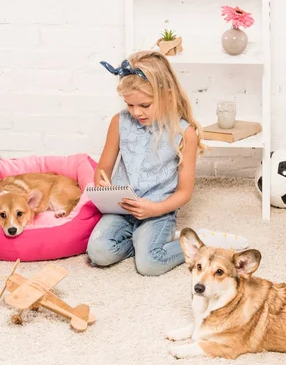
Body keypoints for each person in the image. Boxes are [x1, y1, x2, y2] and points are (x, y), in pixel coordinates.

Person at [86, 50, 205, 276]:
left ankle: (199, 246)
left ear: (167, 95)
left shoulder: (184, 133)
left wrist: (155, 209)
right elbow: (103, 168)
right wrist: (102, 183)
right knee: (98, 253)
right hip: (120, 208)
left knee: (149, 265)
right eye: (130, 105)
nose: (136, 112)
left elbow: (184, 192)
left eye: (145, 105)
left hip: (157, 209)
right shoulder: (119, 122)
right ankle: (141, 242)